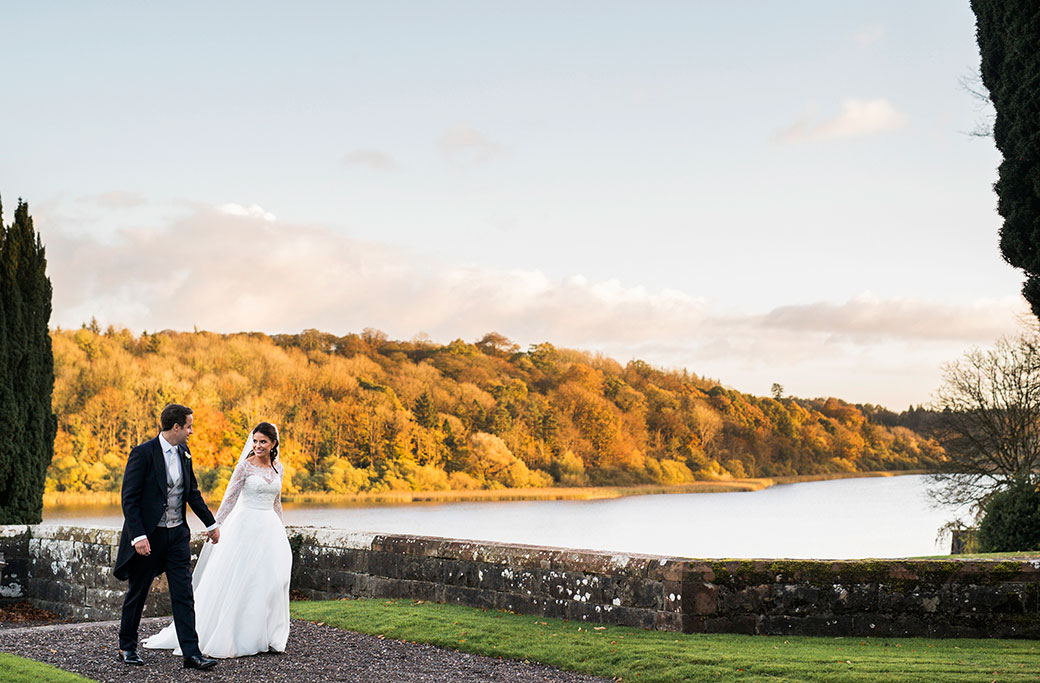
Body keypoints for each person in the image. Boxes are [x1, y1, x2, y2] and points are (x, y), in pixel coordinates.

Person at [143, 422, 292, 658]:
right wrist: (216, 525)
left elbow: (277, 503)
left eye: (263, 441)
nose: (258, 445)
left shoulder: (279, 468)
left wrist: (281, 530)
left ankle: (267, 634)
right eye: (255, 441)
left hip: (270, 530)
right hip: (245, 527)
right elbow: (230, 498)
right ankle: (236, 635)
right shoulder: (244, 467)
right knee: (243, 580)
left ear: (273, 443)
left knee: (272, 580)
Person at [114, 403, 220, 670]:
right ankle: (127, 647)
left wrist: (211, 523)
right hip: (149, 537)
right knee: (138, 593)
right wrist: (138, 536)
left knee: (184, 593)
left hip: (177, 537)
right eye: (189, 426)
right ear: (176, 427)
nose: (191, 432)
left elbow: (192, 492)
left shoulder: (185, 452)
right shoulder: (143, 453)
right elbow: (129, 499)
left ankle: (191, 654)